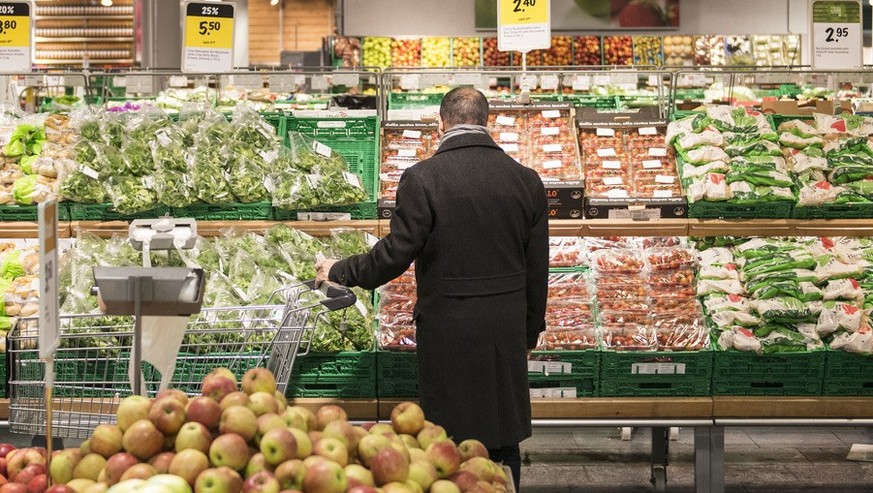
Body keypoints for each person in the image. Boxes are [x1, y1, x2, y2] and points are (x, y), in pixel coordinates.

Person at [315, 87, 548, 491]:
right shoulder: (526, 181)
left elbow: (394, 254)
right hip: (503, 326)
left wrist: (341, 269)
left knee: (447, 442)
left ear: (441, 124)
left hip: (447, 327)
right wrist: (529, 330)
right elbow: (537, 270)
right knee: (501, 434)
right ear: (486, 121)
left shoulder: (422, 179)